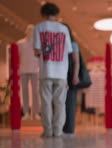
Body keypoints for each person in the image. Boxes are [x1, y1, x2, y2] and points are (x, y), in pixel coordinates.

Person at [33, 2, 78, 138]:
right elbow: (69, 50)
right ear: (57, 14)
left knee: (46, 102)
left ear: (43, 13)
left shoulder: (39, 27)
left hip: (46, 70)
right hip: (61, 72)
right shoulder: (63, 29)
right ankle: (58, 131)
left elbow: (36, 50)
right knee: (60, 103)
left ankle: (48, 131)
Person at [62, 24, 80, 136]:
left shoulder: (73, 44)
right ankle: (63, 128)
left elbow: (76, 62)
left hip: (69, 76)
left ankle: (69, 129)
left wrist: (75, 76)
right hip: (61, 75)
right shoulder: (61, 42)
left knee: (70, 103)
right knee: (61, 103)